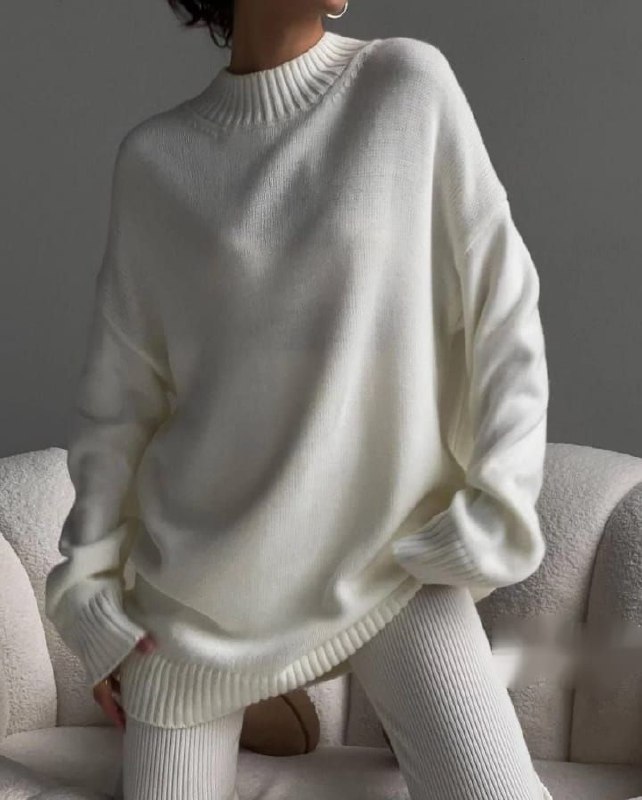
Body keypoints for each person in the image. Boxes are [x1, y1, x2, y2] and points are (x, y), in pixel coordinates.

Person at [44, 1, 554, 798]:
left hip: (390, 560)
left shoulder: (404, 86)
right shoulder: (156, 161)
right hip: (199, 602)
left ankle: (280, 706)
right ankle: (269, 705)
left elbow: (502, 309)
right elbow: (120, 406)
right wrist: (93, 604)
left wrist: (500, 506)